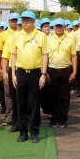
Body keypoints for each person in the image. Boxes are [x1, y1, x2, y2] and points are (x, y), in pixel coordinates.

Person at [9, 10, 50, 143]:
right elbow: (13, 55)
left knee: (34, 103)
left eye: (28, 19)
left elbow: (45, 55)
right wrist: (13, 74)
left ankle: (34, 131)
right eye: (23, 19)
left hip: (35, 73)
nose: (25, 22)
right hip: (20, 73)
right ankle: (22, 131)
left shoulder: (41, 36)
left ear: (34, 22)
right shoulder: (17, 36)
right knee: (20, 103)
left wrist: (43, 74)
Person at [47, 18, 76, 128]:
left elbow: (73, 56)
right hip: (52, 70)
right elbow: (44, 56)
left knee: (65, 96)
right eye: (56, 26)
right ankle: (54, 118)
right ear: (53, 27)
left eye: (61, 26)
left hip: (65, 70)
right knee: (53, 95)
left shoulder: (70, 39)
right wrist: (45, 72)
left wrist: (74, 71)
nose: (58, 28)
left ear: (65, 27)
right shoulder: (48, 39)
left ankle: (63, 118)